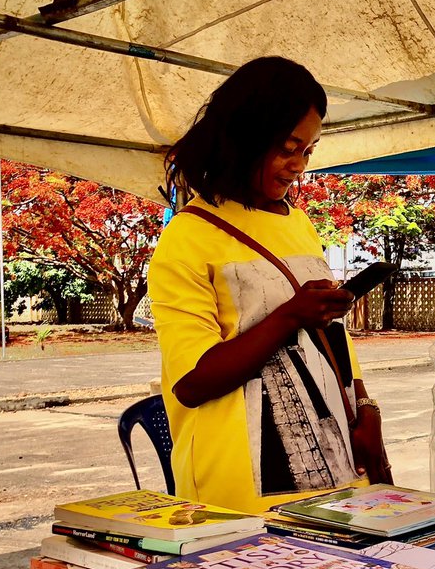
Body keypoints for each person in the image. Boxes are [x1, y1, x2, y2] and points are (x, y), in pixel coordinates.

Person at [148, 56, 391, 514]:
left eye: (309, 151)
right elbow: (192, 383)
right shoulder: (189, 235)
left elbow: (329, 335)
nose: (298, 165)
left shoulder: (296, 222)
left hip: (335, 467)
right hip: (240, 489)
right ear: (244, 138)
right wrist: (290, 315)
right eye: (287, 147)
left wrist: (365, 409)